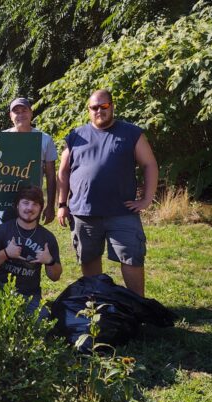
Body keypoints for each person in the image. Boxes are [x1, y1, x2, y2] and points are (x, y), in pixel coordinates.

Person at [57, 89, 158, 297]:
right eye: (94, 107)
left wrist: (147, 199)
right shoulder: (76, 136)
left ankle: (138, 306)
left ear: (112, 106)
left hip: (122, 212)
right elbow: (63, 171)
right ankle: (97, 306)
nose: (99, 111)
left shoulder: (131, 133)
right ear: (88, 110)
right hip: (84, 213)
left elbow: (149, 164)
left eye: (103, 106)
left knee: (131, 258)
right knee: (89, 258)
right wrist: (61, 205)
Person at [0, 185, 62, 318]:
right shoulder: (1, 231)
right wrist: (5, 253)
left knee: (42, 318)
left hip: (28, 295)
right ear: (17, 205)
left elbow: (55, 276)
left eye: (35, 204)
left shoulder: (47, 238)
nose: (29, 208)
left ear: (40, 208)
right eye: (25, 203)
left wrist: (50, 261)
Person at [0, 97, 58, 224]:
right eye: (16, 112)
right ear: (11, 116)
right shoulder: (2, 138)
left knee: (29, 239)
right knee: (4, 240)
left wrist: (50, 205)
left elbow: (51, 175)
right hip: (5, 201)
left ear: (31, 113)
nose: (20, 114)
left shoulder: (45, 139)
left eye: (24, 110)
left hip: (32, 202)